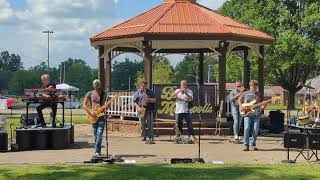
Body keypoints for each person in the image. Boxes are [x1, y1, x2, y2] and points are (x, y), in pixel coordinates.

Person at [238, 80, 268, 151]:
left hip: (256, 115)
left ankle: (253, 144)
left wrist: (265, 105)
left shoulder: (259, 94)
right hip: (247, 114)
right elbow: (239, 100)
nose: (253, 87)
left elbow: (262, 106)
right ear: (250, 86)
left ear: (257, 86)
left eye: (255, 85)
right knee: (246, 128)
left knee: (255, 130)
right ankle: (246, 145)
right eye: (252, 85)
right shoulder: (245, 93)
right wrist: (241, 106)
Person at [83, 79, 107, 157]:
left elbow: (108, 105)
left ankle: (97, 152)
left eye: (98, 85)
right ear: (93, 85)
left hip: (101, 116)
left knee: (99, 134)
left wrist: (106, 107)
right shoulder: (90, 93)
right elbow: (84, 105)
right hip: (93, 116)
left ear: (100, 85)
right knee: (95, 134)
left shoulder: (105, 94)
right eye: (95, 85)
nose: (96, 87)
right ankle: (97, 150)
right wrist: (90, 112)